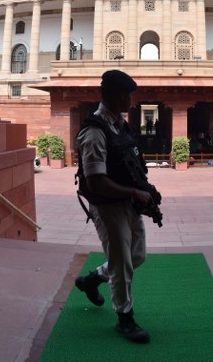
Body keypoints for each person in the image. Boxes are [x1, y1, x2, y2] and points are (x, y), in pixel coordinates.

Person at [74, 69, 161, 344]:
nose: (131, 101)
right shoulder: (94, 131)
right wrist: (134, 192)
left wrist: (145, 190)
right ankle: (125, 319)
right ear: (116, 96)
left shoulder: (120, 125)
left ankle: (91, 280)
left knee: (137, 255)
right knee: (121, 263)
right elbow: (96, 181)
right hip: (107, 207)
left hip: (128, 203)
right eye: (128, 95)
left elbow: (130, 164)